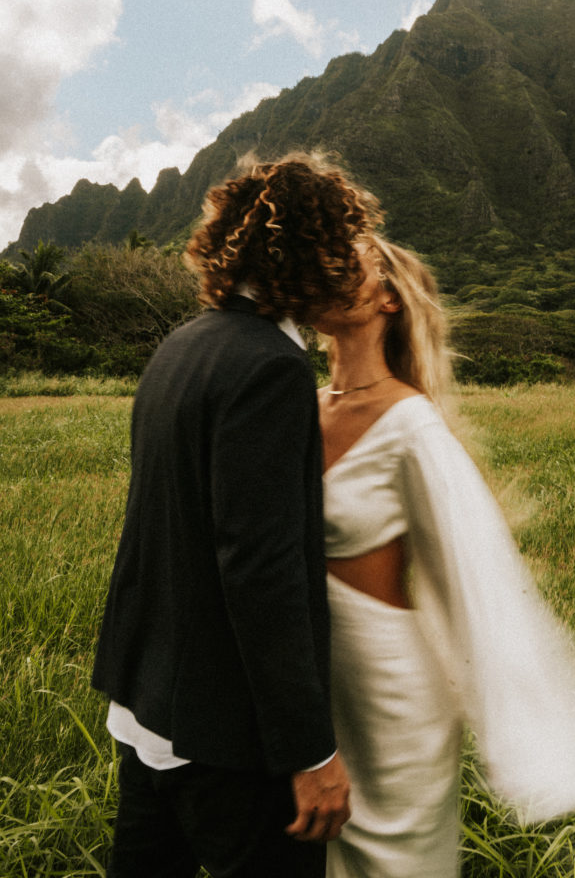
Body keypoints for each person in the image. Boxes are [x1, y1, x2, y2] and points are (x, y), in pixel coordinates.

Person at [92, 152, 382, 878]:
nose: (351, 265)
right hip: (222, 735)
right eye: (343, 246)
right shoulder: (270, 368)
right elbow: (261, 570)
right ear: (312, 254)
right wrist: (310, 753)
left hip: (145, 707)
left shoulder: (180, 347)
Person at [313, 237, 575, 878]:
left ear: (388, 301)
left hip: (390, 697)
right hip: (320, 684)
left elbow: (479, 568)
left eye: (349, 265)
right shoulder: (304, 404)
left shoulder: (411, 424)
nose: (325, 272)